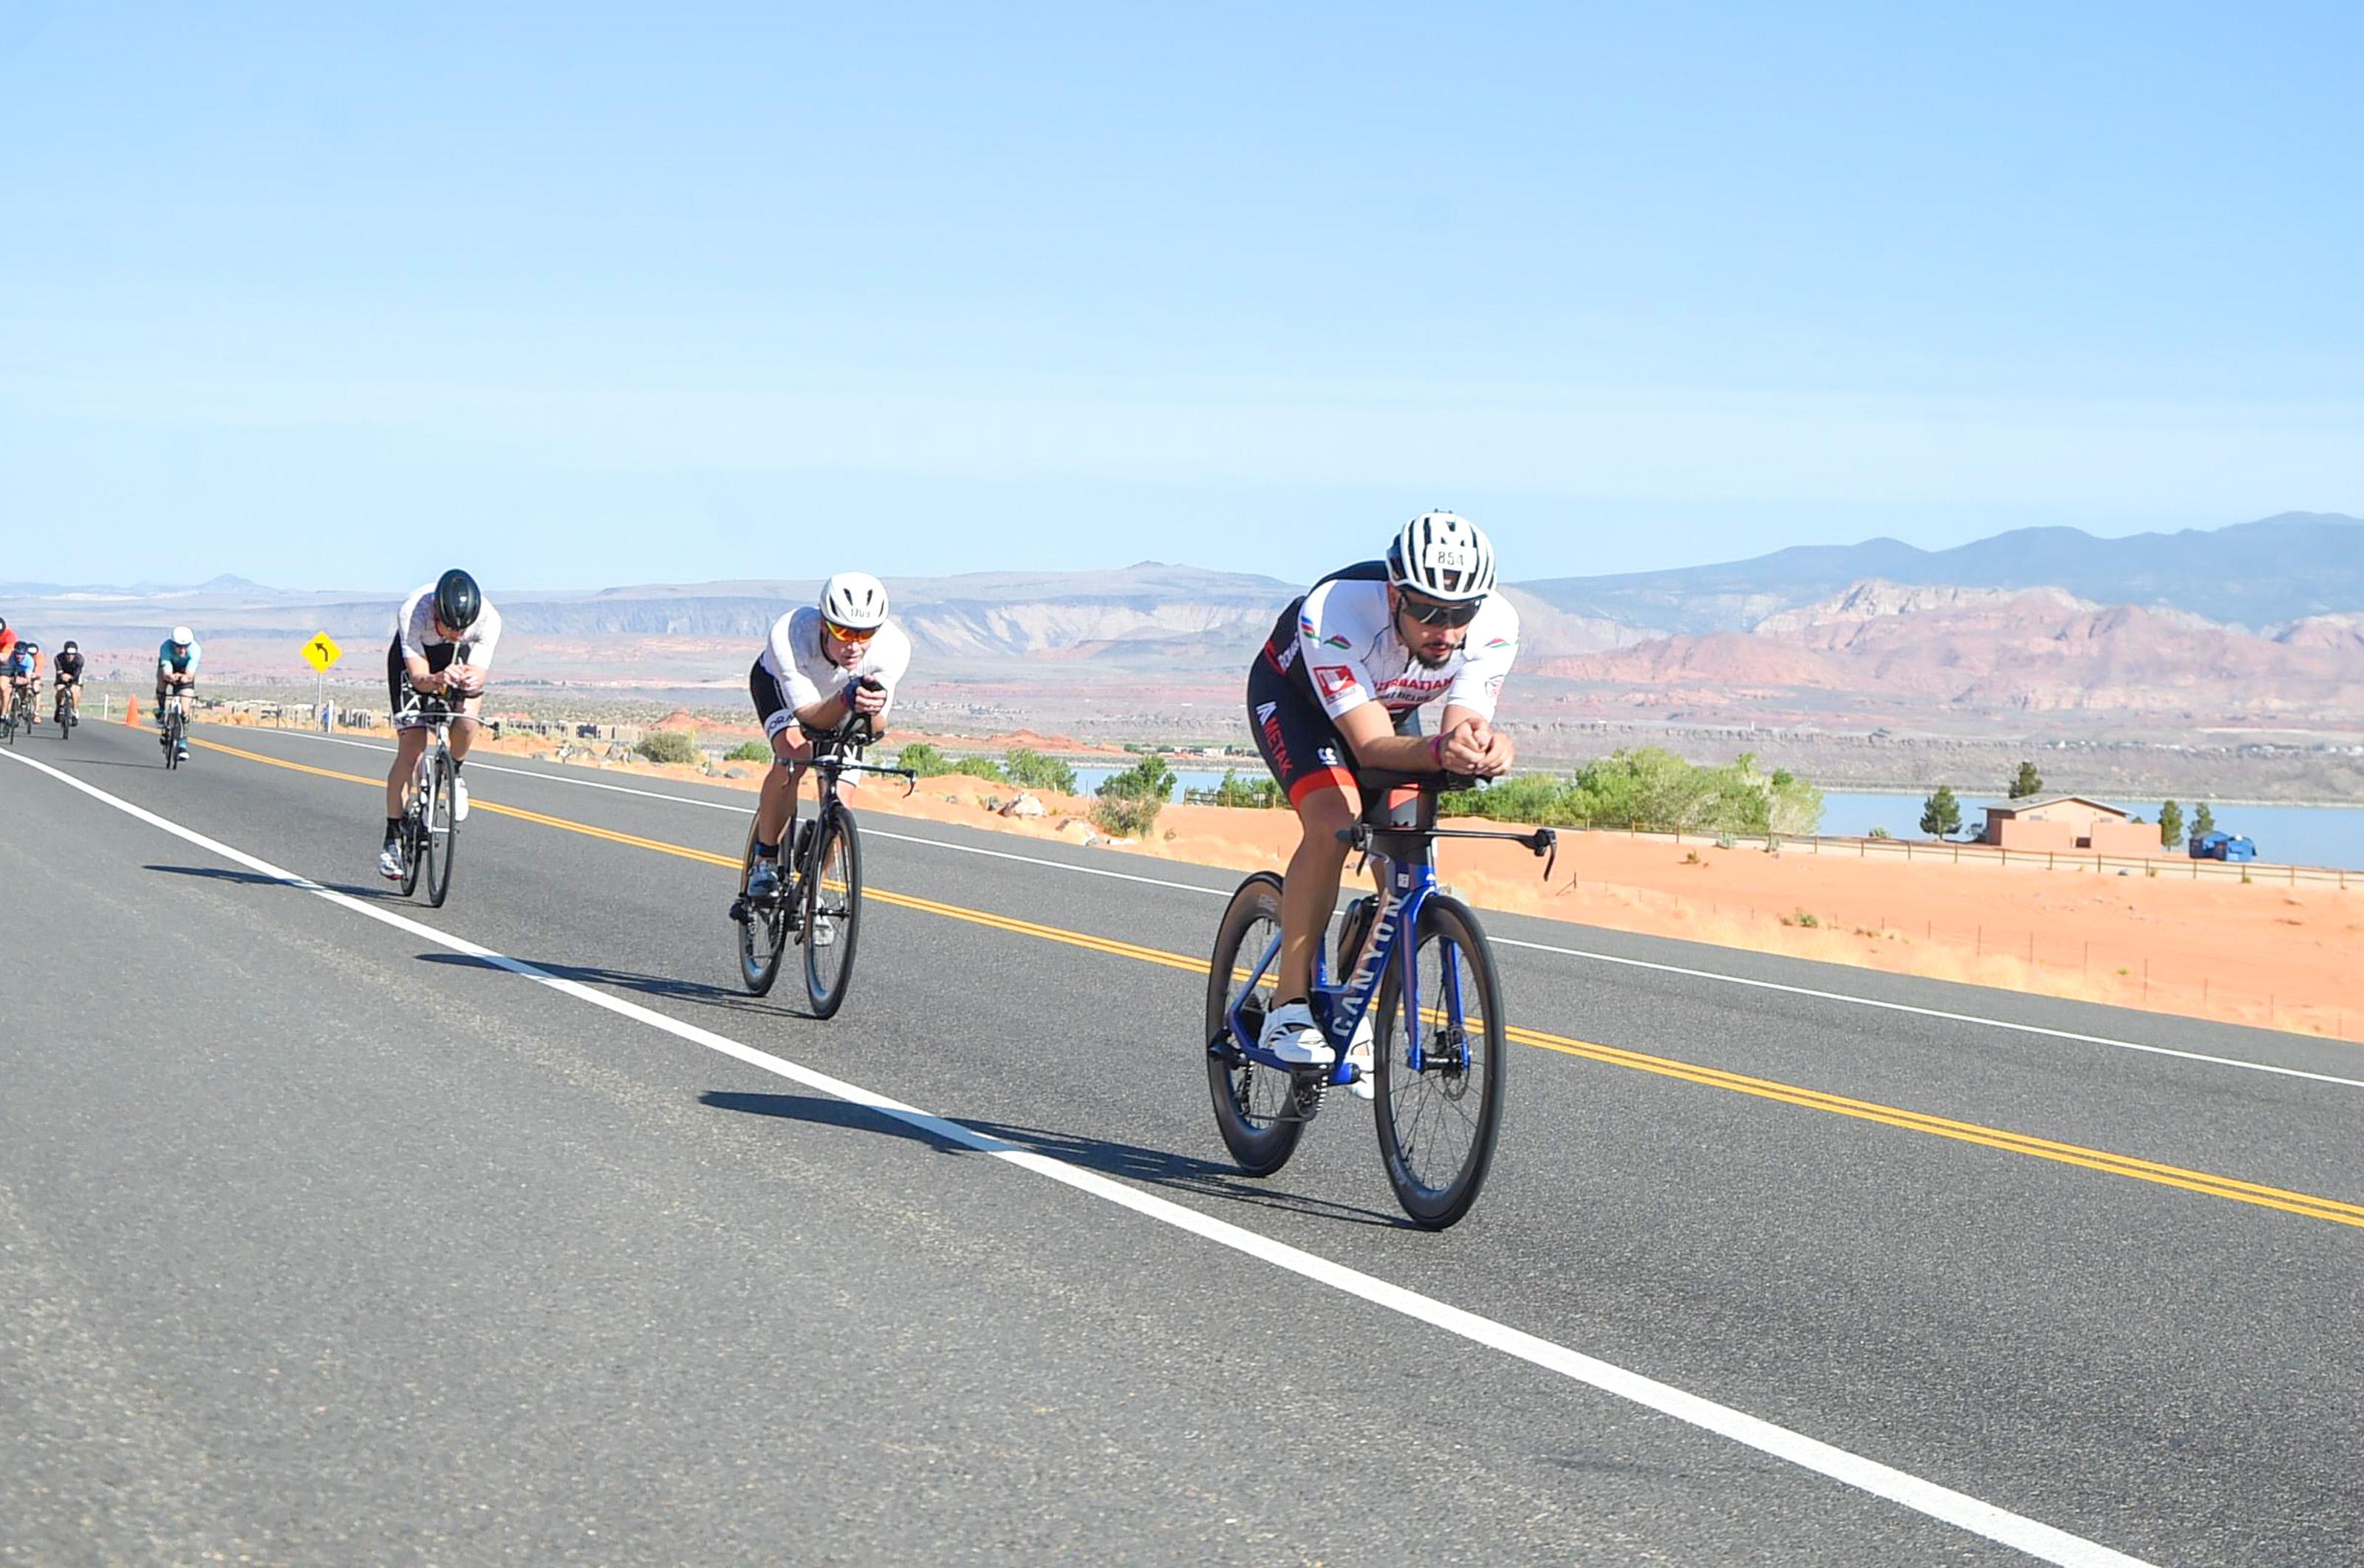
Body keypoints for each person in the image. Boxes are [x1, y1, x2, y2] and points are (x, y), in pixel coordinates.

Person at [1244, 512, 1518, 1098]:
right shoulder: (1338, 609)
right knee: (1336, 823)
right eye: (1426, 611)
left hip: (1387, 711)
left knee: (1407, 845)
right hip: (1299, 705)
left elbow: (1463, 727)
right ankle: (1289, 1005)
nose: (1445, 629)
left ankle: (1359, 973)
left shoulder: (1496, 623)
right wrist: (1443, 749)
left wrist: (1489, 747)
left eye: (1459, 614)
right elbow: (1368, 744)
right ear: (1395, 594)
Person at [742, 572, 912, 923]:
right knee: (796, 755)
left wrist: (872, 707)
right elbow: (810, 718)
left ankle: (812, 893)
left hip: (840, 702)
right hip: (784, 692)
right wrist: (847, 698)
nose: (855, 645)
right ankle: (766, 860)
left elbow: (876, 729)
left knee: (840, 800)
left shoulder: (893, 649)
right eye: (845, 633)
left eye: (865, 635)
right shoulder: (790, 635)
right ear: (823, 624)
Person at [380, 569, 502, 878]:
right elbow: (420, 680)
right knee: (412, 749)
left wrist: (468, 679)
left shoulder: (489, 620)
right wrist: (437, 679)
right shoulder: (414, 611)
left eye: (462, 630)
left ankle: (455, 771)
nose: (455, 635)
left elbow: (480, 673)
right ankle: (393, 836)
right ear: (435, 611)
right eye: (449, 627)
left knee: (469, 711)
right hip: (416, 665)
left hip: (456, 661)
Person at [154, 627, 201, 758]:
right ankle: (161, 710)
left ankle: (183, 744)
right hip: (170, 668)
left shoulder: (195, 650)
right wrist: (169, 676)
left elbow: (190, 674)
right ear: (173, 644)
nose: (182, 650)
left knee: (185, 710)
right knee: (161, 680)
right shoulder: (165, 647)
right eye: (179, 647)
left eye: (186, 647)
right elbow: (166, 669)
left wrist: (183, 678)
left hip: (185, 671)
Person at [52, 639, 84, 726]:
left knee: (75, 691)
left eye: (73, 654)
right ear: (65, 653)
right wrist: (62, 675)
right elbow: (59, 671)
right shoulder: (58, 658)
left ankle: (75, 712)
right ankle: (59, 707)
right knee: (60, 690)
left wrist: (72, 678)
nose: (70, 656)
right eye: (68, 654)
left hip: (75, 676)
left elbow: (78, 672)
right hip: (62, 676)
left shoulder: (80, 659)